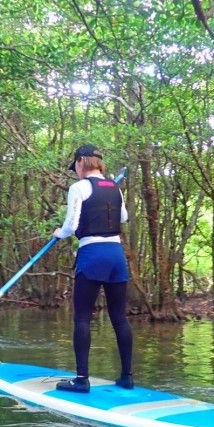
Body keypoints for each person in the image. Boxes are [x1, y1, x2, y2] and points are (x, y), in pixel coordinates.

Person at [52, 144, 134, 393]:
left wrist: (59, 233)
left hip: (92, 255)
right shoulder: (115, 188)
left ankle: (81, 379)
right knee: (119, 317)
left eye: (74, 166)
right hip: (116, 256)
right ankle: (127, 377)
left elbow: (71, 225)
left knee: (82, 317)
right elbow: (123, 218)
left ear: (80, 163)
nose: (74, 171)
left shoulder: (78, 188)